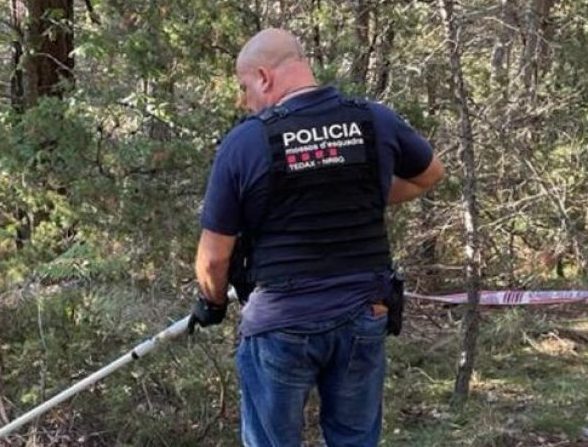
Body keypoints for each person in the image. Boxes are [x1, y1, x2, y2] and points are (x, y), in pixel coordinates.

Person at [187, 28, 444, 447]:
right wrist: (359, 194)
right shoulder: (373, 120)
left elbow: (214, 258)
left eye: (244, 87)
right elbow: (429, 175)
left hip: (281, 323)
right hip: (364, 314)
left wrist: (211, 303)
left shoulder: (246, 141)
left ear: (264, 77)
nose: (244, 101)